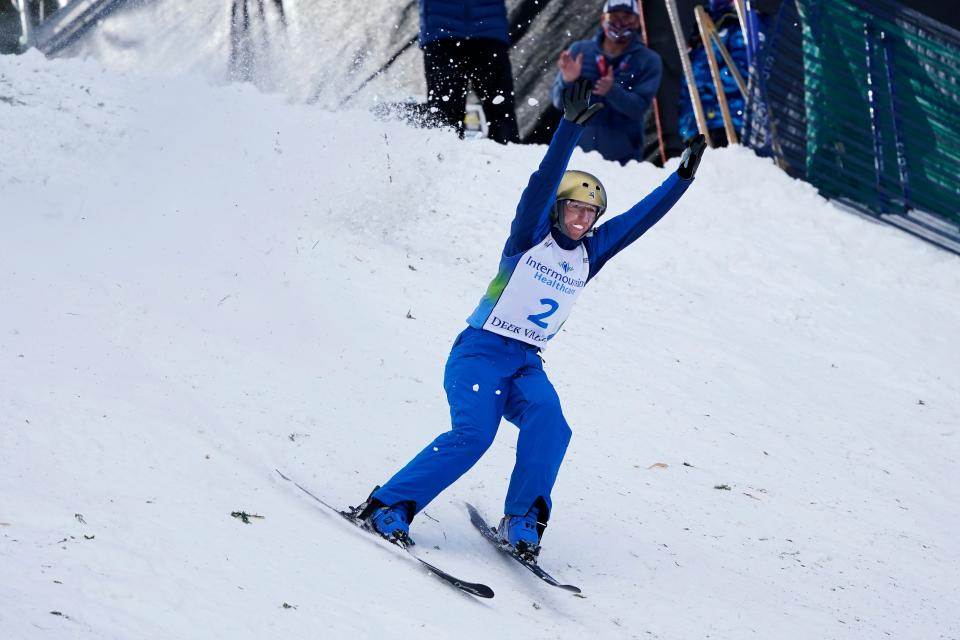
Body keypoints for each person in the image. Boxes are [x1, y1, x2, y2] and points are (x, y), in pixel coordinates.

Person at [354, 79, 706, 559]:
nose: (582, 220)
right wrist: (567, 130)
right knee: (474, 436)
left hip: (524, 364)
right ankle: (388, 505)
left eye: (591, 213)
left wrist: (680, 180)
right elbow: (541, 182)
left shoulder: (590, 253)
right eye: (575, 210)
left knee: (551, 425)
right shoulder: (529, 237)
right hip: (479, 352)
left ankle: (522, 520)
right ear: (559, 210)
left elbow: (638, 221)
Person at [551, 0, 663, 165]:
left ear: (638, 21)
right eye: (614, 16)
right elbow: (558, 102)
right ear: (603, 19)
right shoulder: (580, 50)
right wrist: (567, 80)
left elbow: (639, 108)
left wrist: (612, 91)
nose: (620, 23)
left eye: (626, 17)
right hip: (575, 153)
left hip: (621, 161)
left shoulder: (649, 60)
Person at [418, 0, 520, 144]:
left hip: (487, 32)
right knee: (443, 120)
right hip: (443, 36)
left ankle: (511, 162)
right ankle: (442, 163)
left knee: (501, 113)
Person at [678, 0, 750, 146]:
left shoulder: (740, 23)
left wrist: (702, 84)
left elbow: (740, 73)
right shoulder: (701, 25)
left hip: (727, 123)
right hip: (696, 125)